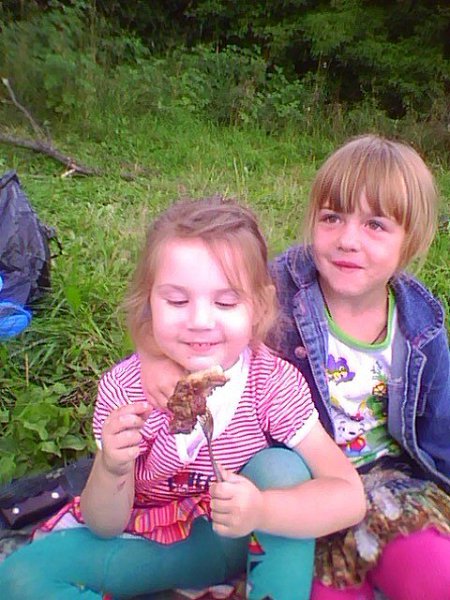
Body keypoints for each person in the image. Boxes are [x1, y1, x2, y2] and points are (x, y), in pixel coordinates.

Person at [0, 196, 365, 599]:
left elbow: (349, 496)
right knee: (20, 576)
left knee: (281, 467)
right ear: (149, 301)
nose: (199, 321)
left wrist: (262, 510)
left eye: (225, 302)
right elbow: (104, 524)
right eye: (176, 301)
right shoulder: (126, 391)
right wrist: (112, 467)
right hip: (148, 538)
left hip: (241, 536)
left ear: (258, 306)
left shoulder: (271, 383)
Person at [139, 135, 450, 600]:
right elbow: (198, 312)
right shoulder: (279, 287)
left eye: (375, 225)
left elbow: (441, 430)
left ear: (412, 241)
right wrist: (155, 360)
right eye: (332, 217)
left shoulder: (420, 323)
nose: (348, 240)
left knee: (437, 576)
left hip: (393, 485)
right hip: (300, 487)